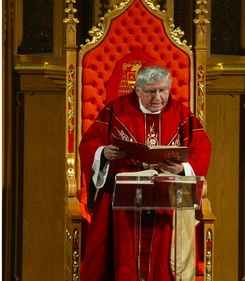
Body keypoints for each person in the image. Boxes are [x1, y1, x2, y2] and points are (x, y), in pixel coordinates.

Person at [79, 65, 211, 281]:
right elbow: (89, 144)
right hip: (122, 203)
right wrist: (104, 153)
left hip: (167, 200)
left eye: (163, 90)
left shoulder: (182, 115)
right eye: (151, 91)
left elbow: (202, 148)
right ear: (137, 90)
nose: (158, 97)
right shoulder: (115, 110)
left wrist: (183, 169)